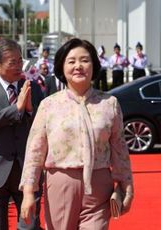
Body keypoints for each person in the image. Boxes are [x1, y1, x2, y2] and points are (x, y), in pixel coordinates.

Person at [20, 38, 134, 230]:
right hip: (61, 183)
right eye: (71, 61)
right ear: (62, 67)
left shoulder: (110, 104)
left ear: (94, 66)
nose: (78, 66)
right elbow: (35, 151)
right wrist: (29, 192)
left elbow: (120, 150)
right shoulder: (49, 105)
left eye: (84, 60)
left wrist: (126, 186)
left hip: (99, 185)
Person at [0, 38, 44, 230]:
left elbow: (43, 125)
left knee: (30, 226)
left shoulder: (32, 87)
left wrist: (29, 111)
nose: (19, 66)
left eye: (20, 61)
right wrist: (17, 108)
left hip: (27, 171)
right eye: (13, 62)